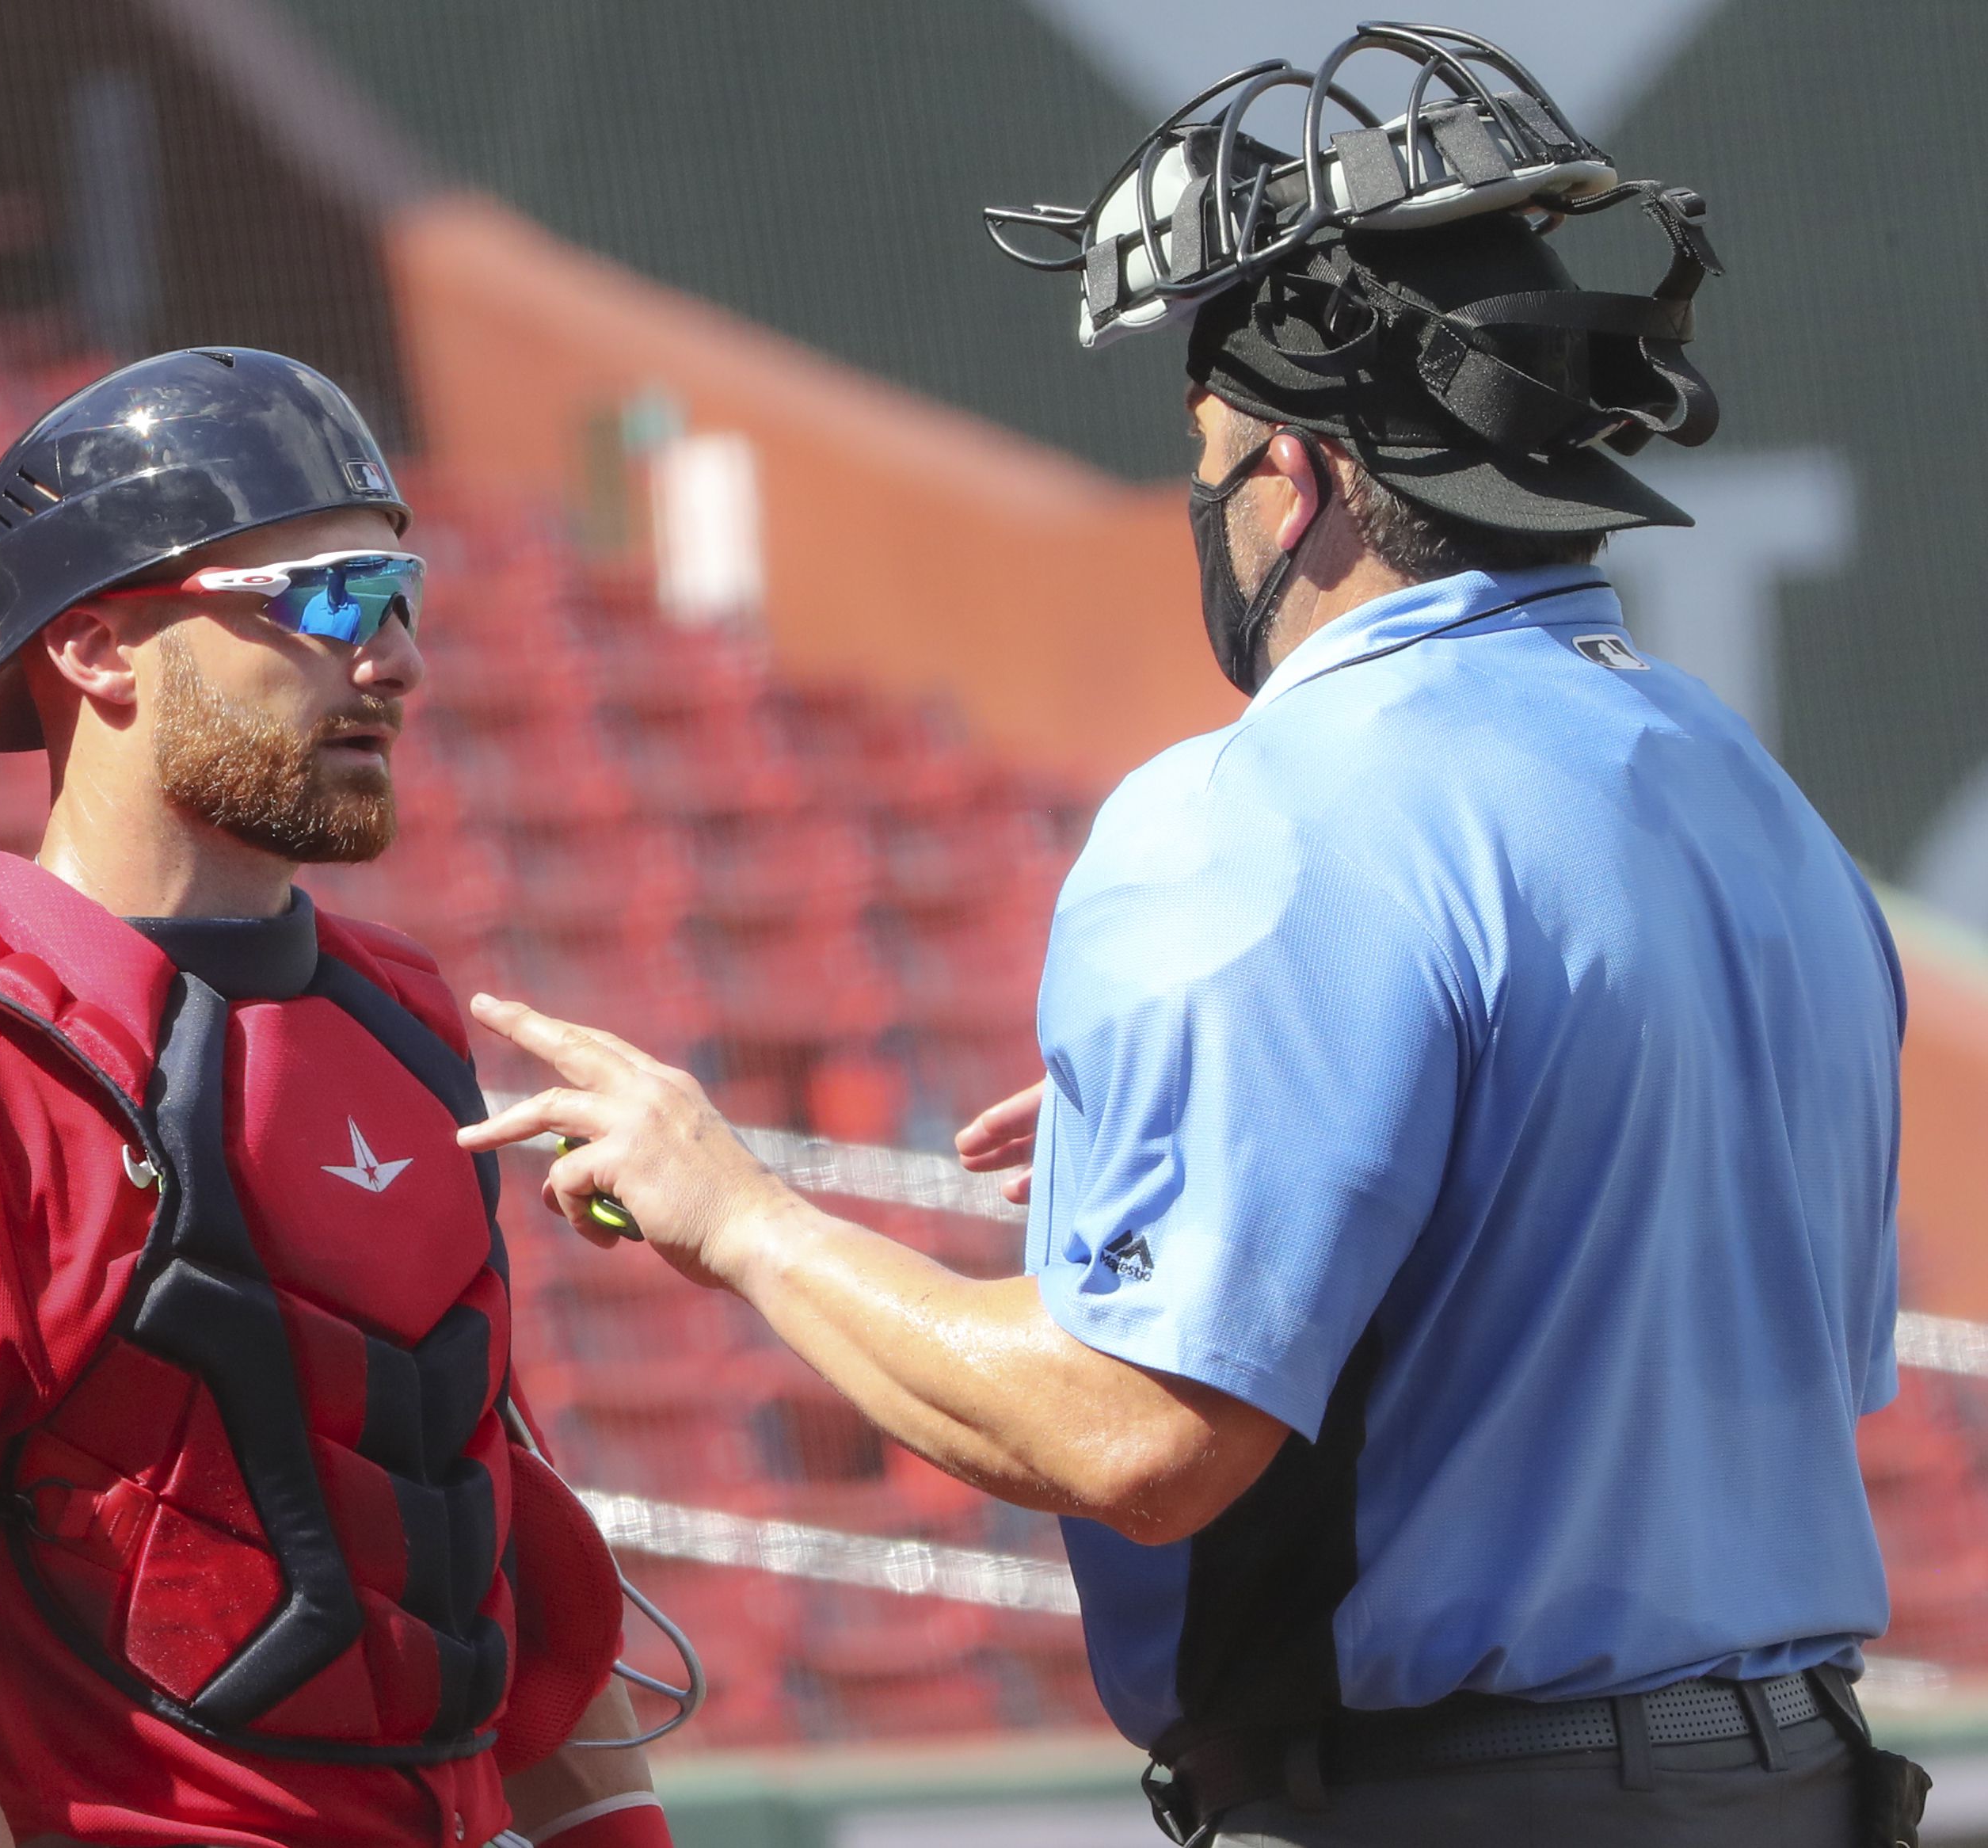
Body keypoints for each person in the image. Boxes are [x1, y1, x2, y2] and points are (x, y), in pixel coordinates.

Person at [451, 27, 1925, 1848]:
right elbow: (1752, 1345)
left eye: (1204, 453)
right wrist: (1306, 1146)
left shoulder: (1268, 803)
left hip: (1453, 1804)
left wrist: (735, 1213)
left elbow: (1128, 1442)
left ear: (1290, 482)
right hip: (1792, 1782)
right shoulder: (1742, 792)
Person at [0, 348, 677, 1848]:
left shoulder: (407, 1015)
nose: (399, 659)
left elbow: (458, 1507)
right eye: (330, 600)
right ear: (100, 650)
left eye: (404, 596)